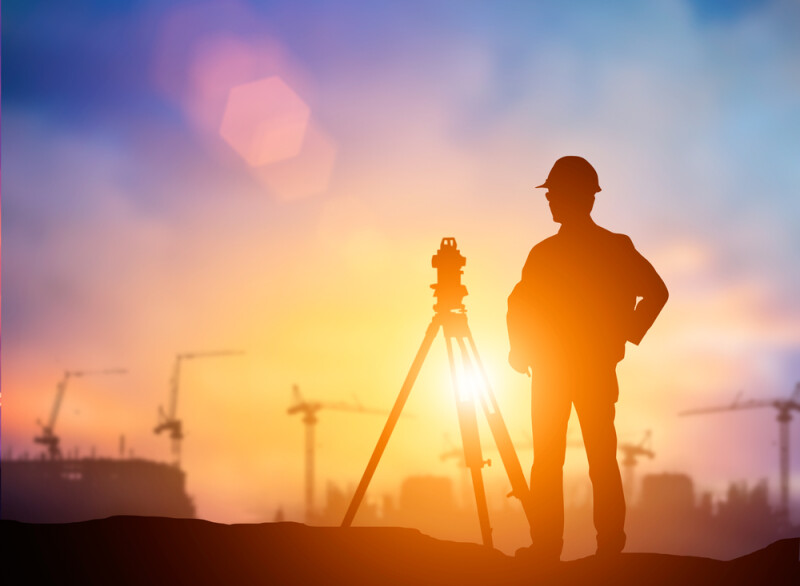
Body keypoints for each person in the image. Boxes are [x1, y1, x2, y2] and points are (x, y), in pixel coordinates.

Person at [507, 156, 668, 563]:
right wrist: (626, 333)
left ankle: (548, 548)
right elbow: (656, 293)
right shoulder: (611, 249)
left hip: (556, 372)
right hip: (582, 370)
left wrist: (520, 348)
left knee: (552, 459)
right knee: (598, 459)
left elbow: (519, 305)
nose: (549, 203)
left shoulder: (548, 254)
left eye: (554, 195)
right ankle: (607, 548)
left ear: (574, 198)